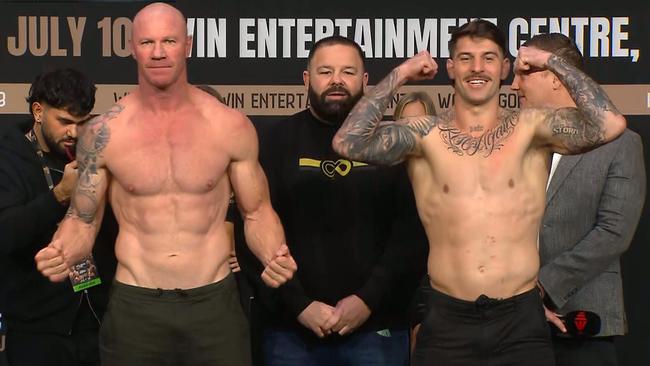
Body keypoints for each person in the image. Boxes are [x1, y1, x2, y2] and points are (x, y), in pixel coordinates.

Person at [332, 19, 626, 366]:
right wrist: (402, 73)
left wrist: (552, 62)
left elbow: (609, 124)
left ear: (505, 68)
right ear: (451, 68)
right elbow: (347, 142)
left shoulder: (532, 128)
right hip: (447, 320)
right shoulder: (424, 135)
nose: (477, 68)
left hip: (519, 321)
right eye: (466, 58)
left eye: (488, 58)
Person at [33, 3, 297, 365]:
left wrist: (274, 253)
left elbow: (257, 212)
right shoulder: (104, 132)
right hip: (136, 306)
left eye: (169, 41)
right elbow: (83, 219)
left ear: (187, 45)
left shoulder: (229, 126)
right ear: (132, 47)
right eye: (147, 42)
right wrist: (63, 251)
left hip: (213, 305)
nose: (158, 52)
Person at [234, 35, 428, 366]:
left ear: (366, 82)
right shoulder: (272, 142)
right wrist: (299, 306)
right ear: (307, 79)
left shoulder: (391, 143)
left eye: (348, 72)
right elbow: (250, 230)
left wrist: (367, 300)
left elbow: (410, 235)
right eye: (326, 71)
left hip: (376, 329)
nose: (337, 80)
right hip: (290, 332)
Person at [511, 33, 646, 366]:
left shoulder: (620, 143)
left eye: (524, 73)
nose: (513, 85)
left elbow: (614, 231)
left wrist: (542, 286)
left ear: (556, 77)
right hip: (511, 324)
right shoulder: (513, 144)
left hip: (583, 323)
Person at [0, 68, 117, 366]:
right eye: (64, 121)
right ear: (38, 111)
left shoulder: (94, 152)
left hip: (96, 322)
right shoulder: (8, 157)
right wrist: (59, 196)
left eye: (82, 122)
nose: (74, 133)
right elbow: (6, 233)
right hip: (36, 330)